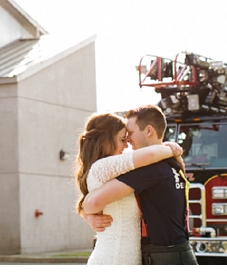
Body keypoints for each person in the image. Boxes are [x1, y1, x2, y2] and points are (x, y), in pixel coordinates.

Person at [81, 104, 198, 265]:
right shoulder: (171, 164)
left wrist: (86, 209)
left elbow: (92, 202)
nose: (128, 141)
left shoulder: (149, 169)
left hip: (165, 256)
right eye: (123, 138)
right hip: (177, 250)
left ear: (148, 131)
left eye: (129, 134)